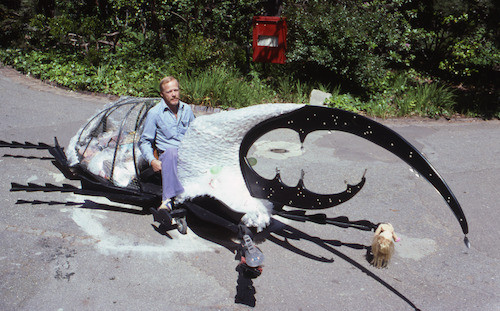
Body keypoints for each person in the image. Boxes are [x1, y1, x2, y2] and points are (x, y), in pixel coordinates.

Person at [139, 76, 195, 211]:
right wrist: (152, 161)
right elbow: (145, 141)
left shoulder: (186, 109)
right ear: (162, 95)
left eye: (176, 90)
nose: (174, 94)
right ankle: (167, 200)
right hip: (166, 156)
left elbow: (196, 132)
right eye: (169, 92)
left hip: (186, 154)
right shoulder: (155, 113)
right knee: (171, 151)